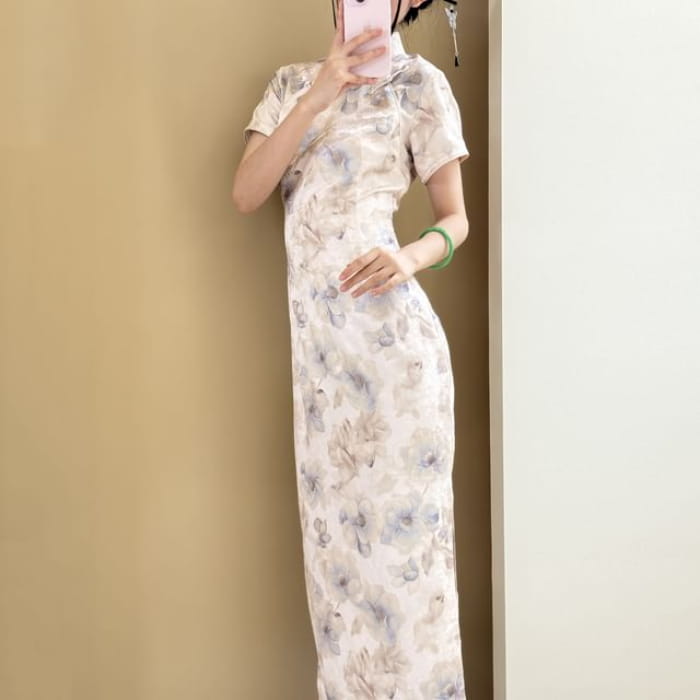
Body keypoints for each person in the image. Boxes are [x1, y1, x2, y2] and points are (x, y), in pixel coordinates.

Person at [232, 0, 470, 697]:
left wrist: (410, 257)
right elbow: (247, 193)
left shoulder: (421, 86)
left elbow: (456, 218)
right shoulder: (290, 84)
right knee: (339, 572)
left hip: (399, 361)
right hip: (324, 375)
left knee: (411, 567)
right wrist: (320, 93)